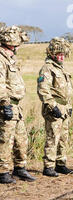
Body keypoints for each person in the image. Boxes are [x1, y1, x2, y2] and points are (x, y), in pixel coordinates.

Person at [0, 26, 36, 184]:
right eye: (16, 45)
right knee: (5, 139)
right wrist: (4, 103)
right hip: (7, 105)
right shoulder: (1, 59)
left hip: (16, 106)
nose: (17, 48)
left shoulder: (10, 59)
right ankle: (2, 172)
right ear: (9, 43)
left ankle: (20, 168)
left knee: (21, 139)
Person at [37, 37, 73, 177]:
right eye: (59, 54)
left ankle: (61, 163)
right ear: (51, 54)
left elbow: (66, 89)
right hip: (54, 108)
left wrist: (68, 106)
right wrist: (53, 106)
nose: (61, 56)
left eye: (63, 54)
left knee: (64, 138)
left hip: (64, 108)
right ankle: (49, 166)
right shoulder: (47, 68)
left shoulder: (61, 68)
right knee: (53, 137)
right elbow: (43, 90)